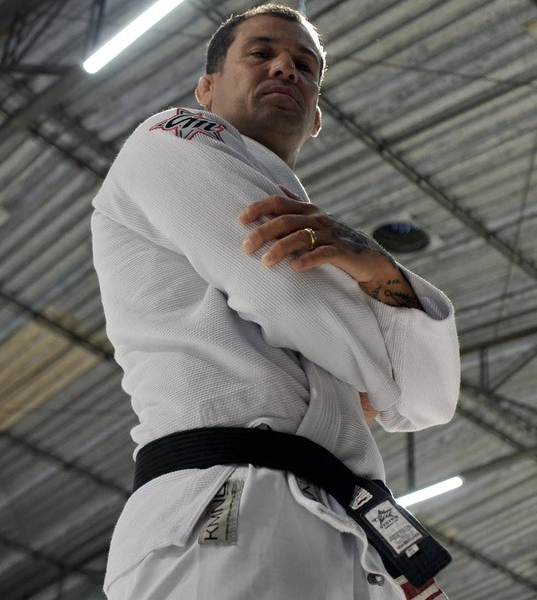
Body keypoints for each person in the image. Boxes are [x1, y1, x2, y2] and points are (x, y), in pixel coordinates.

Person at [91, 4, 460, 599]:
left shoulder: (322, 235)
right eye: (261, 53)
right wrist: (380, 343)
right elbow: (287, 293)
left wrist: (376, 266)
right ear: (206, 89)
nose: (286, 68)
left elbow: (427, 401)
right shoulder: (168, 136)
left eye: (305, 66)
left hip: (340, 522)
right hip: (225, 504)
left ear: (316, 119)